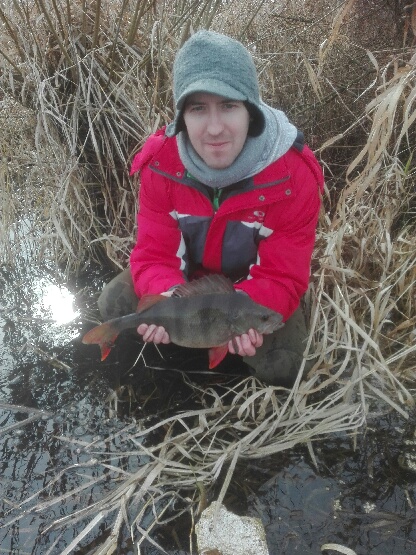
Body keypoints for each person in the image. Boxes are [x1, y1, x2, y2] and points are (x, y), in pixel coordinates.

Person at [98, 30, 324, 387]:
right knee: (113, 302)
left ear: (250, 111)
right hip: (188, 288)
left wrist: (246, 308)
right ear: (182, 117)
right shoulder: (160, 165)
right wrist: (167, 295)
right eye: (198, 108)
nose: (215, 128)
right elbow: (155, 255)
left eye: (229, 105)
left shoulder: (293, 175)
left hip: (251, 293)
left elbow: (283, 274)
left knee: (285, 365)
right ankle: (160, 360)